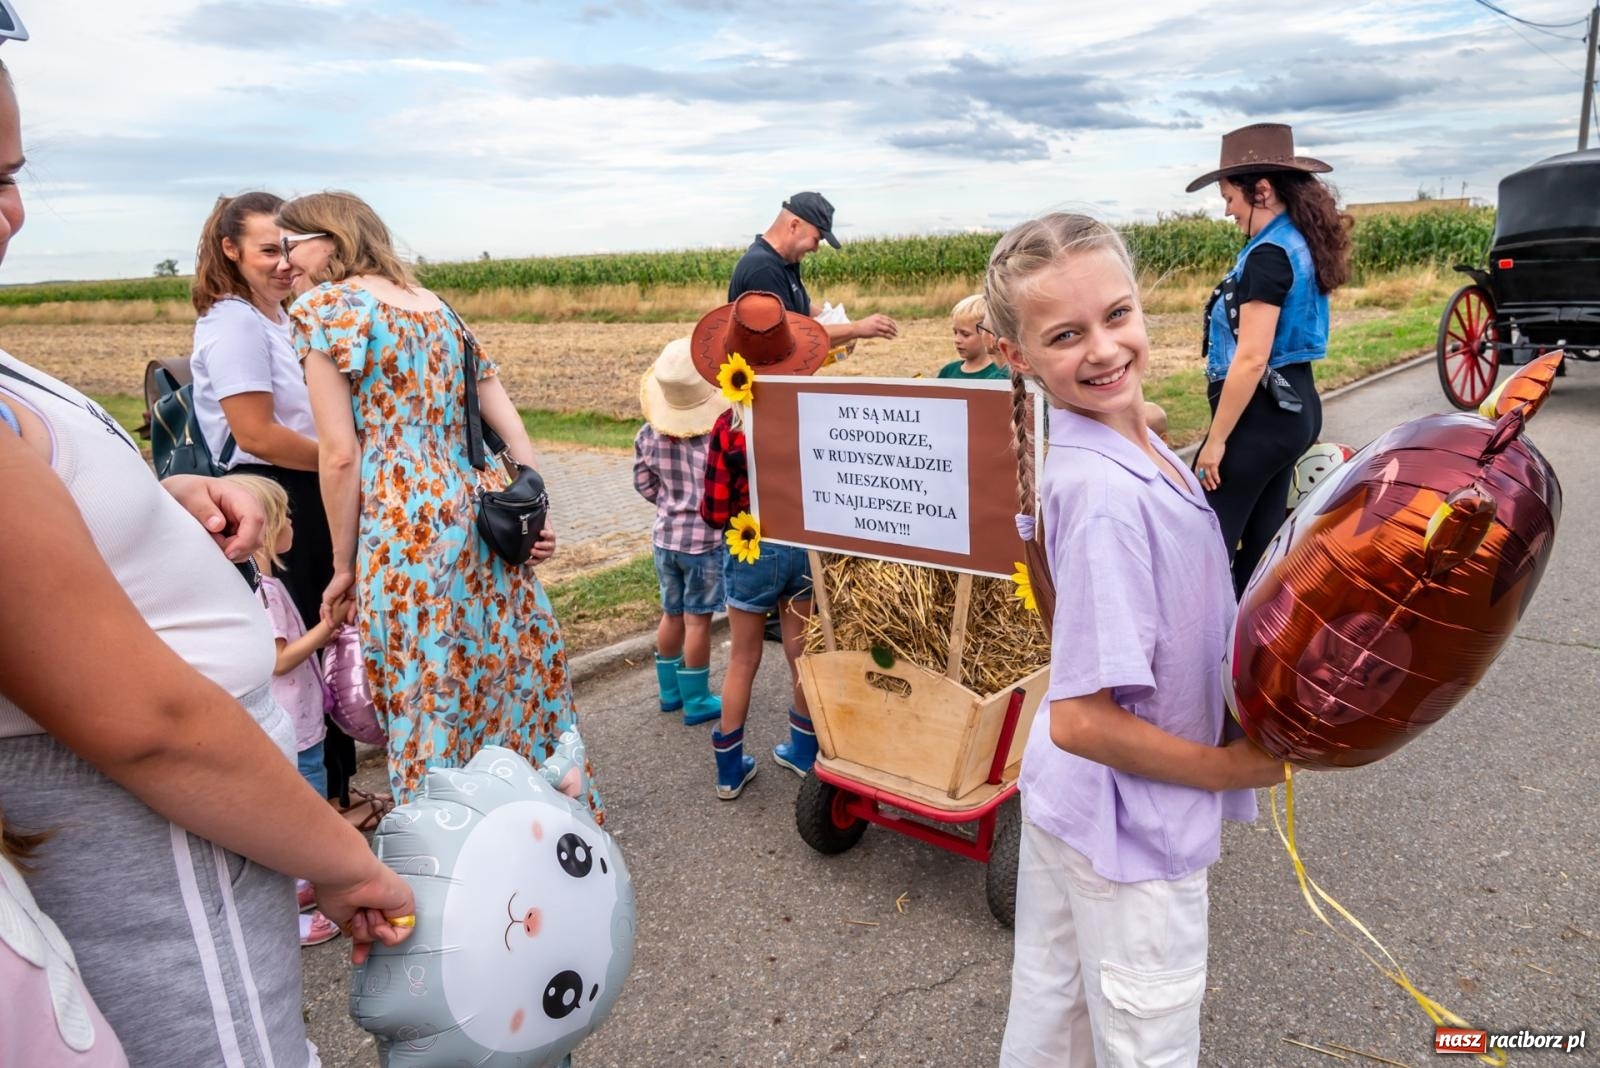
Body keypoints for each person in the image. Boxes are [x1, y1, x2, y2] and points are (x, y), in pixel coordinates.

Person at [0, 59, 412, 1065]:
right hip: (152, 866)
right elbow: (148, 722)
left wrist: (152, 500)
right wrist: (340, 859)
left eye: (12, 174)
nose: (11, 213)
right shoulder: (235, 326)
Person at [982, 213, 1287, 1067]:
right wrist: (1226, 768)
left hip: (1070, 801)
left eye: (1118, 316)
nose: (1105, 349)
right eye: (1066, 335)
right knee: (1145, 1036)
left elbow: (1125, 402)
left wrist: (1135, 414)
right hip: (1130, 826)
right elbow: (1083, 718)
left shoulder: (1125, 436)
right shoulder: (1108, 501)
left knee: (1055, 1012)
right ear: (1018, 357)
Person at [279, 191, 602, 818]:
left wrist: (343, 567)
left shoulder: (323, 310)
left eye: (295, 244)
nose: (290, 260)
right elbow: (508, 424)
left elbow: (340, 454)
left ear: (331, 239)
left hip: (402, 525)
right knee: (502, 676)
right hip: (477, 515)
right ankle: (535, 820)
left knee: (428, 687)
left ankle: (449, 842)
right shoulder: (439, 309)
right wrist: (536, 513)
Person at [189, 190, 370, 822]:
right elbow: (255, 433)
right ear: (230, 250)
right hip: (279, 489)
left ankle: (341, 791)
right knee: (316, 636)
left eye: (289, 247)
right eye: (268, 249)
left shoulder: (280, 315)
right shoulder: (235, 321)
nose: (284, 262)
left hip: (307, 482)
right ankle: (329, 804)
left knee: (331, 631)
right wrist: (344, 461)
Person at [1186, 123, 1353, 596]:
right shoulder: (1299, 242)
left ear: (1261, 191)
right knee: (1259, 550)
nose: (1228, 210)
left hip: (1259, 417)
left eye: (1230, 198)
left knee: (1205, 543)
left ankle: (1202, 655)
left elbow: (1252, 358)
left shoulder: (1268, 255)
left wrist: (1215, 440)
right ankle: (1250, 654)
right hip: (1293, 408)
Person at [693, 292, 830, 798]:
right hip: (800, 546)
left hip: (750, 548)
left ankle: (729, 771)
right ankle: (804, 752)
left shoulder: (727, 430)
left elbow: (713, 512)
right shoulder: (810, 423)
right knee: (801, 654)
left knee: (743, 659)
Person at [227, 471, 351, 946]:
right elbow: (279, 660)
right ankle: (294, 901)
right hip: (294, 728)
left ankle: (299, 887)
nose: (295, 523)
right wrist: (329, 630)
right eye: (289, 516)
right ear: (271, 526)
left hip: (289, 724)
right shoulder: (267, 595)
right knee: (306, 809)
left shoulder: (258, 587)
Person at [633, 337, 731, 727]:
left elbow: (643, 483)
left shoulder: (646, 435)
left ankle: (669, 692)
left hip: (664, 538)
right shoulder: (713, 440)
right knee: (697, 620)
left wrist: (667, 501)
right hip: (703, 543)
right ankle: (696, 699)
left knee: (670, 614)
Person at [937, 293, 1008, 380]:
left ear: (986, 332)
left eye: (965, 334)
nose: (957, 340)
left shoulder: (1000, 375)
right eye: (955, 332)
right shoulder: (948, 372)